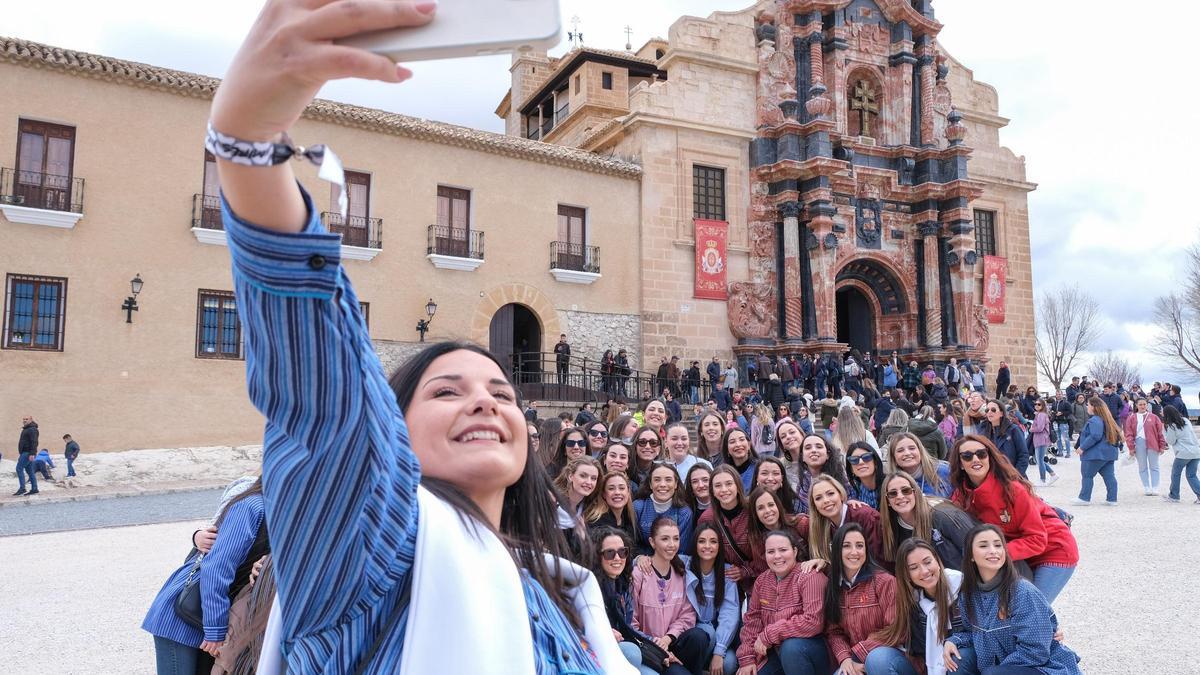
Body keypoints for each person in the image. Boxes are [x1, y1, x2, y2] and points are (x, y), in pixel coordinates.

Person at [143, 478, 270, 674]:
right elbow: (216, 568)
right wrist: (215, 629)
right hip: (184, 614)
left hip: (208, 611)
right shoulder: (252, 505)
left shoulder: (280, 511)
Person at [949, 436, 1079, 604]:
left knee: (1032, 609)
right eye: (967, 456)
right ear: (960, 463)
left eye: (981, 454)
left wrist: (993, 553)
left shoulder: (1012, 489)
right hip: (1020, 557)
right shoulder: (962, 494)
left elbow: (1038, 539)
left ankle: (1051, 630)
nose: (975, 459)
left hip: (1054, 550)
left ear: (990, 457)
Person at [945, 525, 1082, 675]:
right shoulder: (968, 594)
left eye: (998, 545)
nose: (993, 550)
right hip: (1002, 667)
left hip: (1043, 667)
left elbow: (1036, 652)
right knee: (958, 661)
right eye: (983, 545)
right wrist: (954, 640)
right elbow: (974, 634)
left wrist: (996, 670)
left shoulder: (1022, 591)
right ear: (970, 555)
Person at [735, 529, 829, 675]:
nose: (777, 556)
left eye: (783, 550)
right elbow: (753, 620)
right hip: (775, 652)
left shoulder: (809, 576)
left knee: (791, 647)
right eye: (771, 551)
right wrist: (747, 658)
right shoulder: (762, 581)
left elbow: (813, 622)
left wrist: (770, 634)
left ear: (795, 551)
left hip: (810, 649)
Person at [879, 540, 979, 675]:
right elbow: (913, 645)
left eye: (927, 562)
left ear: (937, 561)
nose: (924, 571)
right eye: (914, 568)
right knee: (878, 659)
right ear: (907, 575)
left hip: (967, 659)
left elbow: (982, 632)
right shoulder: (913, 601)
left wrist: (955, 641)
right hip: (930, 667)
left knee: (957, 659)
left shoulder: (962, 585)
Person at [822, 523, 904, 675]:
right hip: (854, 660)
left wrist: (859, 654)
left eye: (859, 545)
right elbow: (834, 631)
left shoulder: (884, 581)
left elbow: (896, 629)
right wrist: (845, 658)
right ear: (837, 549)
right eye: (846, 546)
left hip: (891, 656)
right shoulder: (833, 586)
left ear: (866, 549)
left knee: (877, 659)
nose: (854, 552)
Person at [631, 517, 710, 673]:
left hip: (672, 642)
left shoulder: (681, 573)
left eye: (676, 538)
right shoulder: (638, 574)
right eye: (665, 539)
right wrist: (657, 644)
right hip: (648, 647)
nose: (672, 544)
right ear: (652, 542)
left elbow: (687, 616)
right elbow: (630, 622)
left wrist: (668, 638)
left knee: (699, 636)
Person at [879, 472, 977, 571]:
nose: (900, 496)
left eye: (906, 490)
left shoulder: (944, 516)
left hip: (966, 582)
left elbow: (976, 552)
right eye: (892, 493)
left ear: (915, 492)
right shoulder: (892, 529)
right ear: (887, 501)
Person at [683, 524, 741, 675]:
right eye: (701, 541)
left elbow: (729, 614)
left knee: (729, 664)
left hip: (716, 636)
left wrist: (719, 652)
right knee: (706, 631)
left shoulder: (727, 572)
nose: (707, 546)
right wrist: (641, 558)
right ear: (694, 544)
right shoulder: (683, 564)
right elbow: (658, 561)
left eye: (713, 541)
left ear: (719, 546)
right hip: (690, 636)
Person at [698, 465, 763, 597]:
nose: (724, 490)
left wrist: (745, 570)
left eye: (729, 484)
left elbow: (767, 548)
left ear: (738, 486)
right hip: (726, 581)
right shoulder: (708, 518)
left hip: (757, 580)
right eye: (718, 486)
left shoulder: (753, 510)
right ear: (712, 491)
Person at [804, 476, 885, 569]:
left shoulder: (866, 516)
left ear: (841, 495)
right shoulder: (822, 527)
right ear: (814, 505)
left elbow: (879, 562)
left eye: (830, 493)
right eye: (818, 498)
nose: (826, 500)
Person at [633, 463, 695, 556]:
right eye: (657, 480)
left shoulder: (684, 512)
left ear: (676, 484)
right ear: (650, 484)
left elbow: (682, 551)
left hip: (673, 563)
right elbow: (633, 543)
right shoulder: (638, 507)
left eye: (668, 480)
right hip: (643, 563)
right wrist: (640, 557)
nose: (662, 484)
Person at [1073, 395, 1122, 506]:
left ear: (1094, 407)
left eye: (1088, 405)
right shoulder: (1108, 419)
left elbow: (1095, 435)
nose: (1087, 407)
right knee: (1109, 476)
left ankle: (1084, 498)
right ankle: (1112, 499)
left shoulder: (1095, 420)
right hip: (1108, 454)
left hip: (1095, 454)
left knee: (1087, 475)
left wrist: (1082, 447)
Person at [788, 433, 849, 514]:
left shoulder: (840, 476)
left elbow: (850, 500)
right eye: (808, 448)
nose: (813, 450)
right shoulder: (803, 480)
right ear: (802, 457)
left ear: (828, 454)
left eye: (819, 447)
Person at [1122, 398, 1167, 496]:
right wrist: (1131, 447)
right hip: (1139, 443)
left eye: (1144, 404)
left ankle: (1155, 487)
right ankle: (1146, 487)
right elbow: (1128, 433)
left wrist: (1162, 445)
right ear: (1136, 405)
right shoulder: (1132, 417)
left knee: (1154, 466)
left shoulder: (1154, 417)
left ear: (1147, 405)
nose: (1142, 406)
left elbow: (1160, 432)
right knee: (1142, 466)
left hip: (1153, 443)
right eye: (1140, 404)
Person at [889, 432, 953, 497]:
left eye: (912, 448)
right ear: (893, 457)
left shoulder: (944, 470)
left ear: (920, 451)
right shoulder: (892, 483)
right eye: (900, 450)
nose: (907, 453)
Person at [979, 400, 1029, 479]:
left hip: (1011, 476)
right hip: (991, 478)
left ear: (1001, 413)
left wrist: (1016, 475)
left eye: (993, 410)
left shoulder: (1014, 429)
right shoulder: (982, 431)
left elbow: (1023, 454)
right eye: (987, 410)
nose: (989, 412)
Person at [589, 472, 641, 547]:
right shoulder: (596, 523)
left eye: (622, 488)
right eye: (611, 488)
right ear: (604, 494)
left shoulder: (630, 518)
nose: (617, 492)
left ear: (628, 491)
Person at [1161, 406, 1200, 503]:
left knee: (1176, 473)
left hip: (1183, 453)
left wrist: (1164, 431)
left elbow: (1170, 441)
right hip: (1195, 451)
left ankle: (1174, 496)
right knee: (1191, 475)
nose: (1161, 413)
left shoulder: (1171, 426)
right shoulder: (1186, 420)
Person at [844, 441, 885, 510]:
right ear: (851, 468)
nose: (861, 462)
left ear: (875, 462)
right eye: (854, 460)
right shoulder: (850, 492)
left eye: (867, 457)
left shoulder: (889, 485)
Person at [720, 427, 758, 491]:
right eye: (732, 442)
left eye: (742, 439)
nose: (738, 444)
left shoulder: (759, 468)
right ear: (727, 449)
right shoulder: (723, 473)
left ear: (749, 445)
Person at [14, 415, 39, 496]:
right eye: (23, 419)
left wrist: (32, 453)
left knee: (19, 468)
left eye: (26, 419)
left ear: (31, 419)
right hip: (26, 453)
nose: (24, 420)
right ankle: (34, 489)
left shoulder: (32, 429)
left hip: (27, 453)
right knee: (30, 471)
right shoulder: (27, 429)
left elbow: (34, 442)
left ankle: (22, 488)